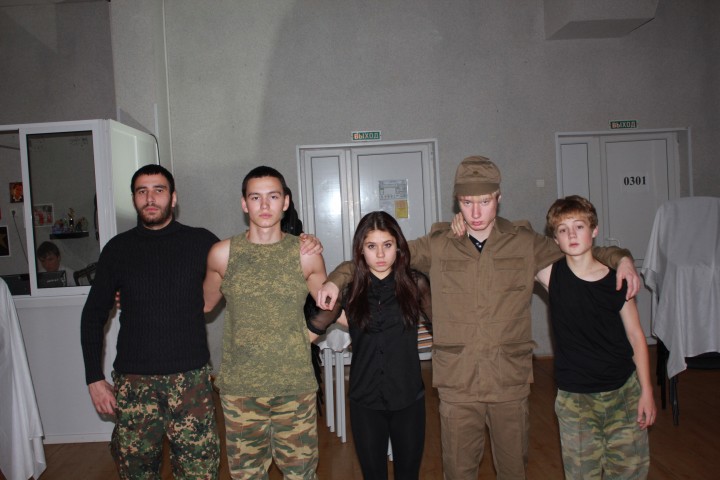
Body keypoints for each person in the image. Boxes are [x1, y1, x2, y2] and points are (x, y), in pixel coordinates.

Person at [318, 156, 642, 480]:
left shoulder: (524, 242)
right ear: (456, 202)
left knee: (513, 471)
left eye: (484, 202)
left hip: (508, 383)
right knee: (458, 472)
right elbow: (381, 255)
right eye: (467, 202)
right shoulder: (439, 245)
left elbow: (578, 250)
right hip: (458, 384)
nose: (475, 213)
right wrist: (335, 279)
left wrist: (622, 258)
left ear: (499, 198)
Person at [80, 164, 320, 479]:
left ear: (173, 198)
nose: (150, 198)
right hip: (134, 383)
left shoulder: (203, 243)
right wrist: (94, 378)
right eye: (142, 191)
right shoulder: (117, 250)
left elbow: (248, 264)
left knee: (201, 473)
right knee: (136, 473)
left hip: (191, 382)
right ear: (134, 199)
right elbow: (92, 314)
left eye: (159, 190)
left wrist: (306, 242)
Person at [203, 166, 327, 479]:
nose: (264, 205)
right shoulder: (222, 254)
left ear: (285, 202)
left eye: (273, 196)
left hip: (294, 387)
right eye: (255, 197)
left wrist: (310, 334)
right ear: (244, 204)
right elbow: (202, 304)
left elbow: (329, 303)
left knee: (301, 474)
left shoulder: (305, 254)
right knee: (247, 476)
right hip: (241, 391)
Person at [306, 211, 432, 480]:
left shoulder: (416, 284)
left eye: (387, 245)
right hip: (365, 401)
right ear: (361, 250)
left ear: (398, 246)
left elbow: (445, 329)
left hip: (408, 399)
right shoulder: (349, 291)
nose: (381, 254)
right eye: (372, 246)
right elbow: (311, 331)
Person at [535, 195, 655, 479]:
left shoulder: (617, 280)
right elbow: (505, 240)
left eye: (579, 226)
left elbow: (636, 336)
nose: (571, 235)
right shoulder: (550, 274)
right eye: (563, 230)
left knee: (630, 472)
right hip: (575, 399)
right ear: (555, 239)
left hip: (623, 394)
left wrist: (647, 391)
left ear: (594, 230)